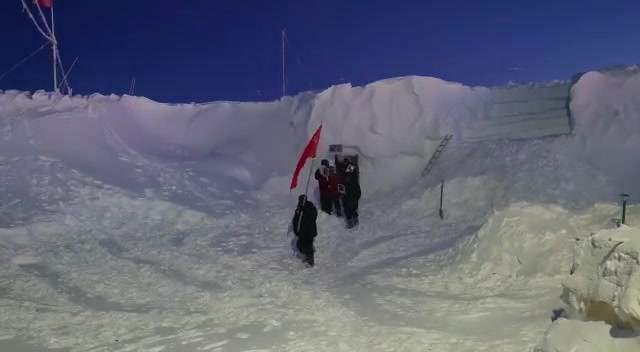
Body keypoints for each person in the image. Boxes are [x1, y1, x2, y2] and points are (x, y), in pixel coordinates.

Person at [292, 194, 318, 267]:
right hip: (301, 232)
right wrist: (296, 231)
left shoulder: (310, 207)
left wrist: (306, 210)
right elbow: (295, 220)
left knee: (308, 246)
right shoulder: (299, 209)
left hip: (309, 231)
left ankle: (311, 261)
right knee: (300, 245)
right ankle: (307, 257)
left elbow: (314, 215)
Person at [342, 161, 361, 228]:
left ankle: (352, 221)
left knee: (350, 209)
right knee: (351, 209)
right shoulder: (353, 180)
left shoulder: (350, 178)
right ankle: (354, 221)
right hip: (351, 195)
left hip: (351, 195)